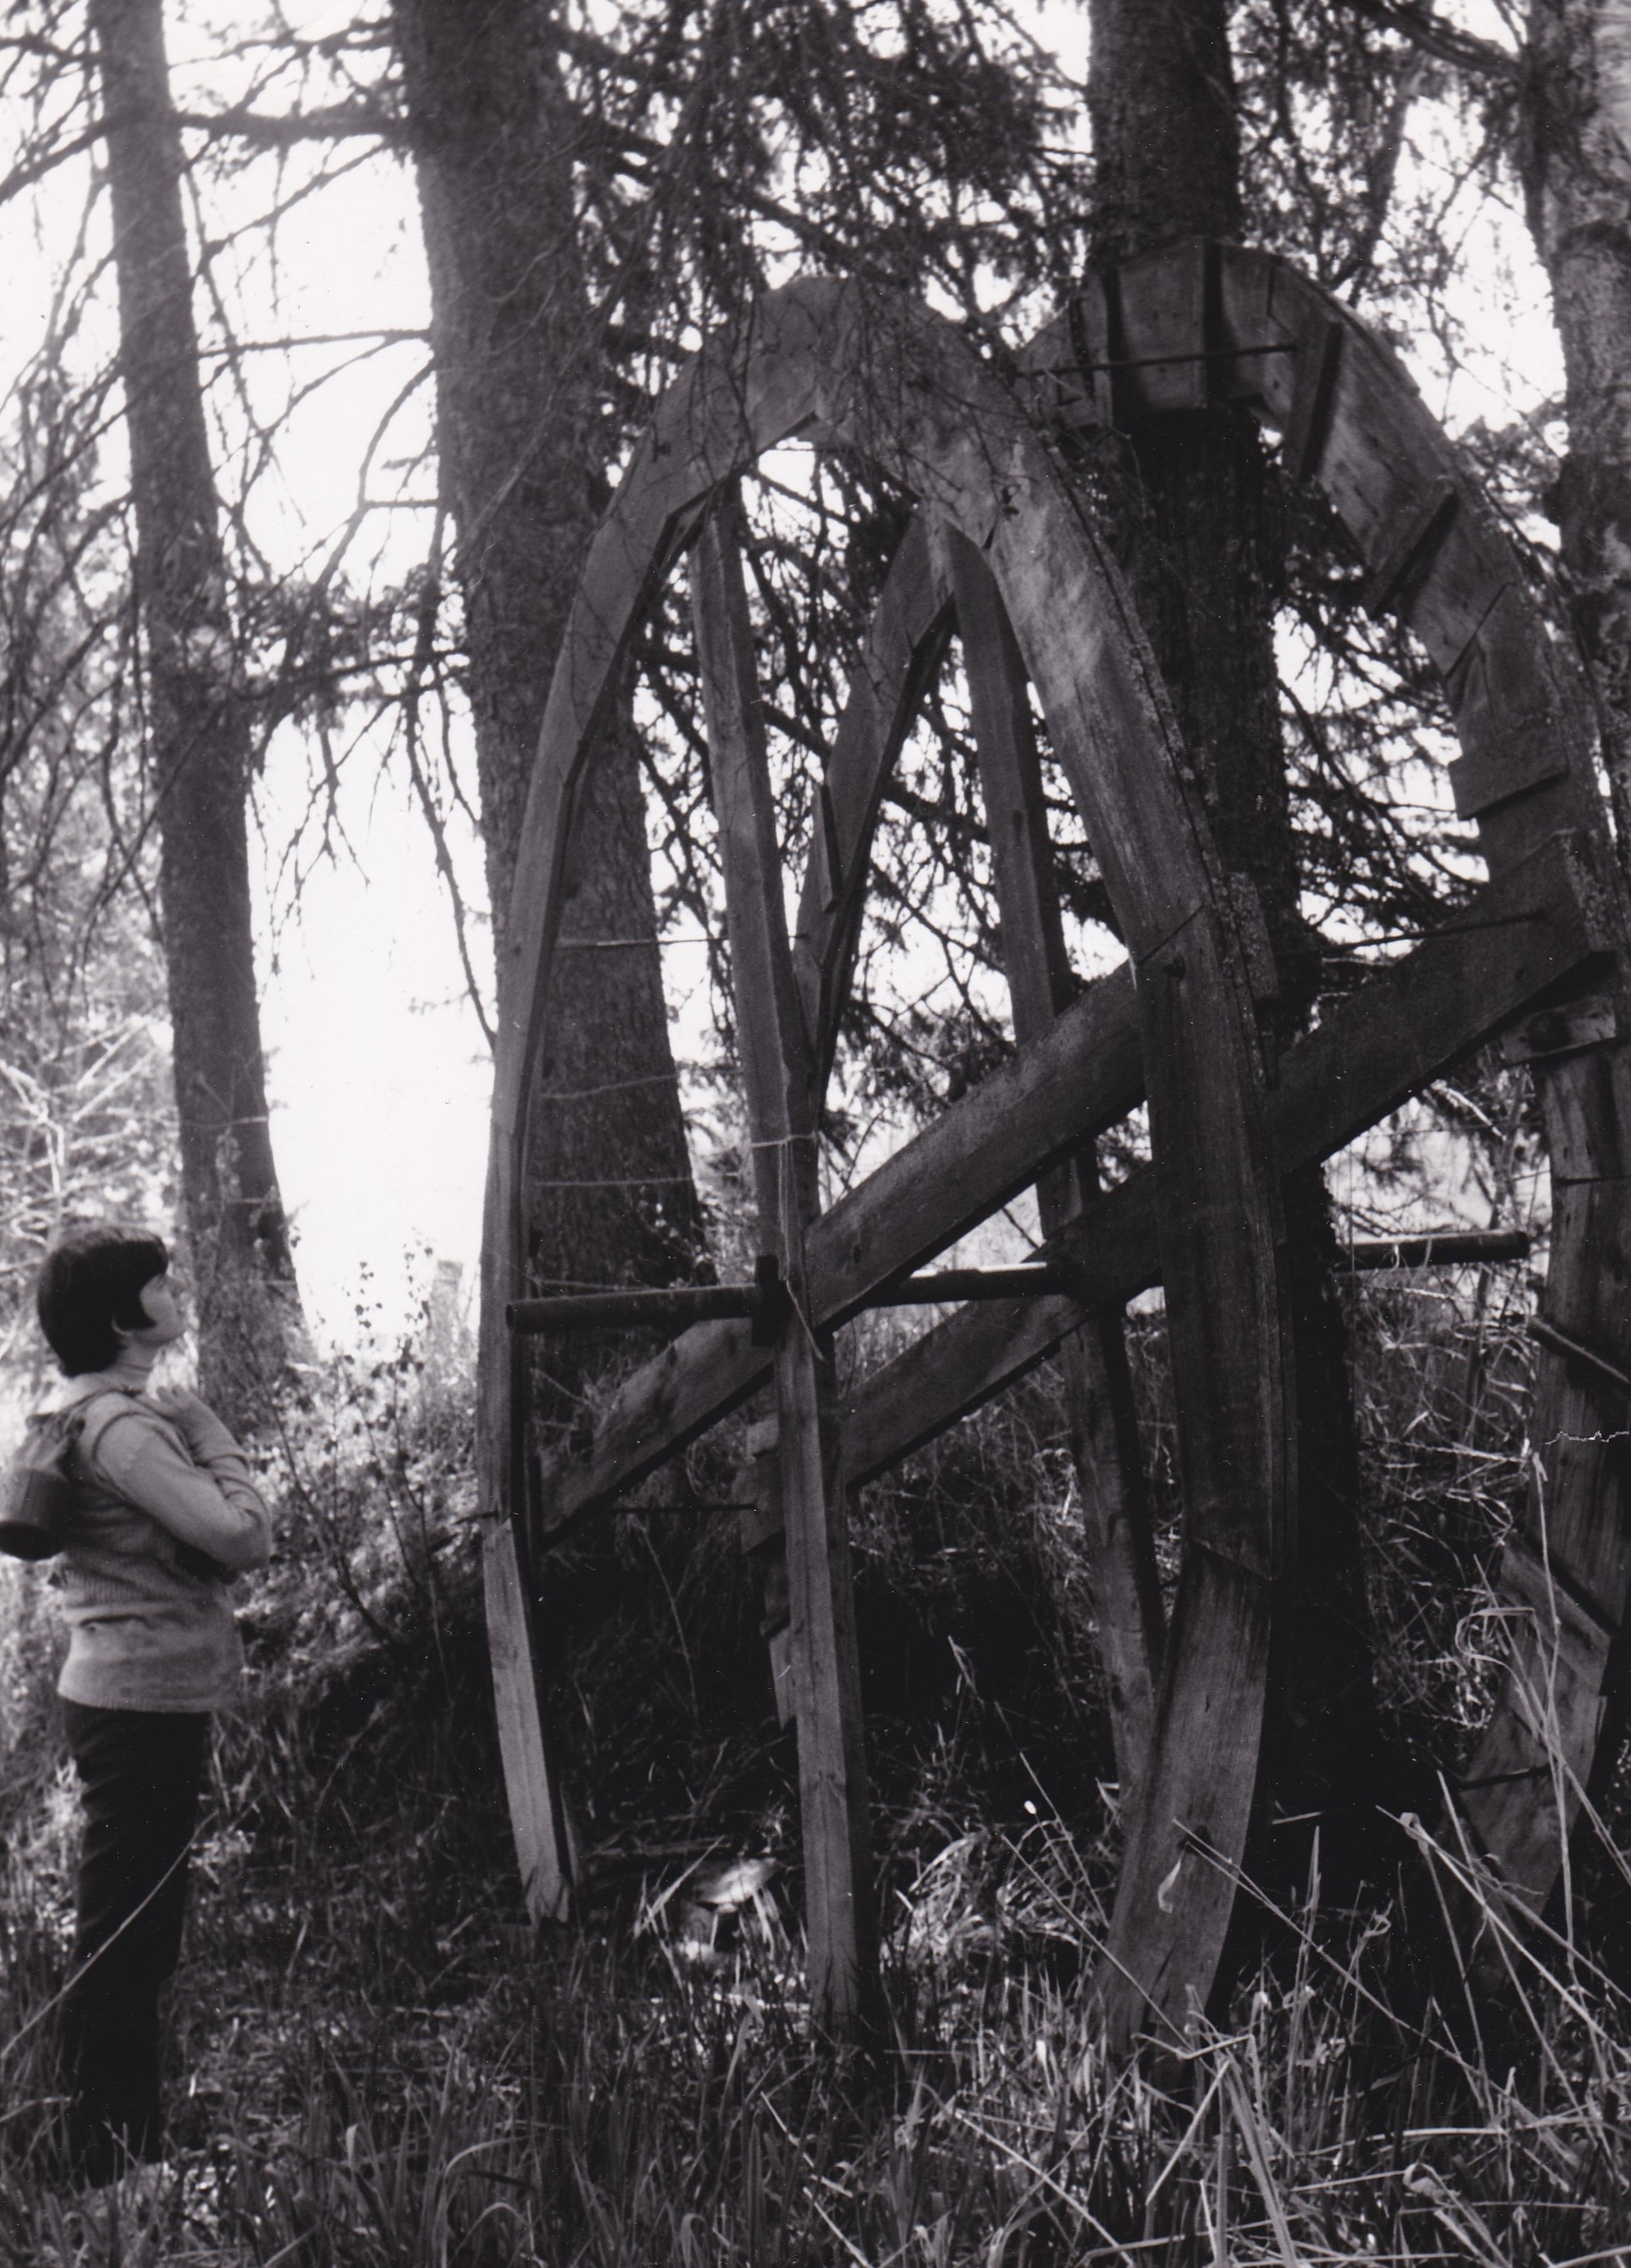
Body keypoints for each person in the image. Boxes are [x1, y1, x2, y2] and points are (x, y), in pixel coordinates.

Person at [32, 1223, 273, 2187]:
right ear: (124, 1318)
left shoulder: (93, 1409)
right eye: (158, 1283)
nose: (175, 1290)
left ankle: (112, 2144)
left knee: (129, 1926)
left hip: (125, 1693)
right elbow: (239, 1536)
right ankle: (112, 2164)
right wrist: (212, 1436)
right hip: (139, 1703)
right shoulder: (127, 1429)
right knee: (129, 1934)